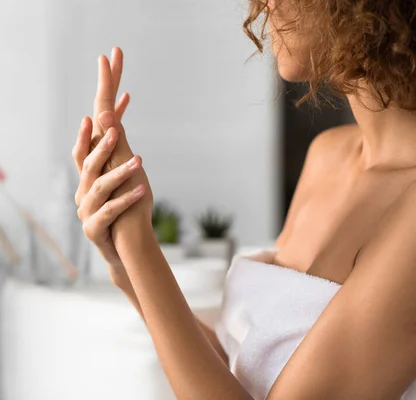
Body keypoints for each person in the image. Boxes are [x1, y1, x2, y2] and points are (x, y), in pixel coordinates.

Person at [72, 0, 416, 397]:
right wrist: (125, 262)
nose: (262, 4)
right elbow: (240, 373)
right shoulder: (328, 155)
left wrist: (139, 246)